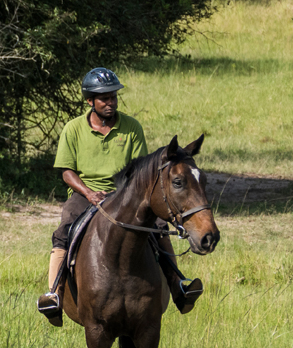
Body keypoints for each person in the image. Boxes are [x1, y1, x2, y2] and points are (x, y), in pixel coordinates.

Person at [37, 67, 203, 326]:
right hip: (86, 192)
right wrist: (89, 193)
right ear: (90, 100)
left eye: (113, 97)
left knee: (158, 226)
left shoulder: (132, 127)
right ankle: (54, 294)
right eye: (104, 98)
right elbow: (67, 172)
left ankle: (177, 284)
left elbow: (141, 171)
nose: (111, 102)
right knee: (65, 228)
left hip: (126, 193)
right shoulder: (73, 129)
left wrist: (122, 195)